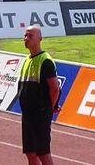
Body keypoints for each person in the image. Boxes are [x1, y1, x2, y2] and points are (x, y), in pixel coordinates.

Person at [17, 26, 60, 165]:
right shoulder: (27, 60)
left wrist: (47, 109)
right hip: (27, 114)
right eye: (25, 36)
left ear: (40, 39)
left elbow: (55, 88)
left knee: (43, 153)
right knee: (30, 154)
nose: (26, 39)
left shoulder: (45, 61)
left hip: (39, 115)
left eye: (30, 36)